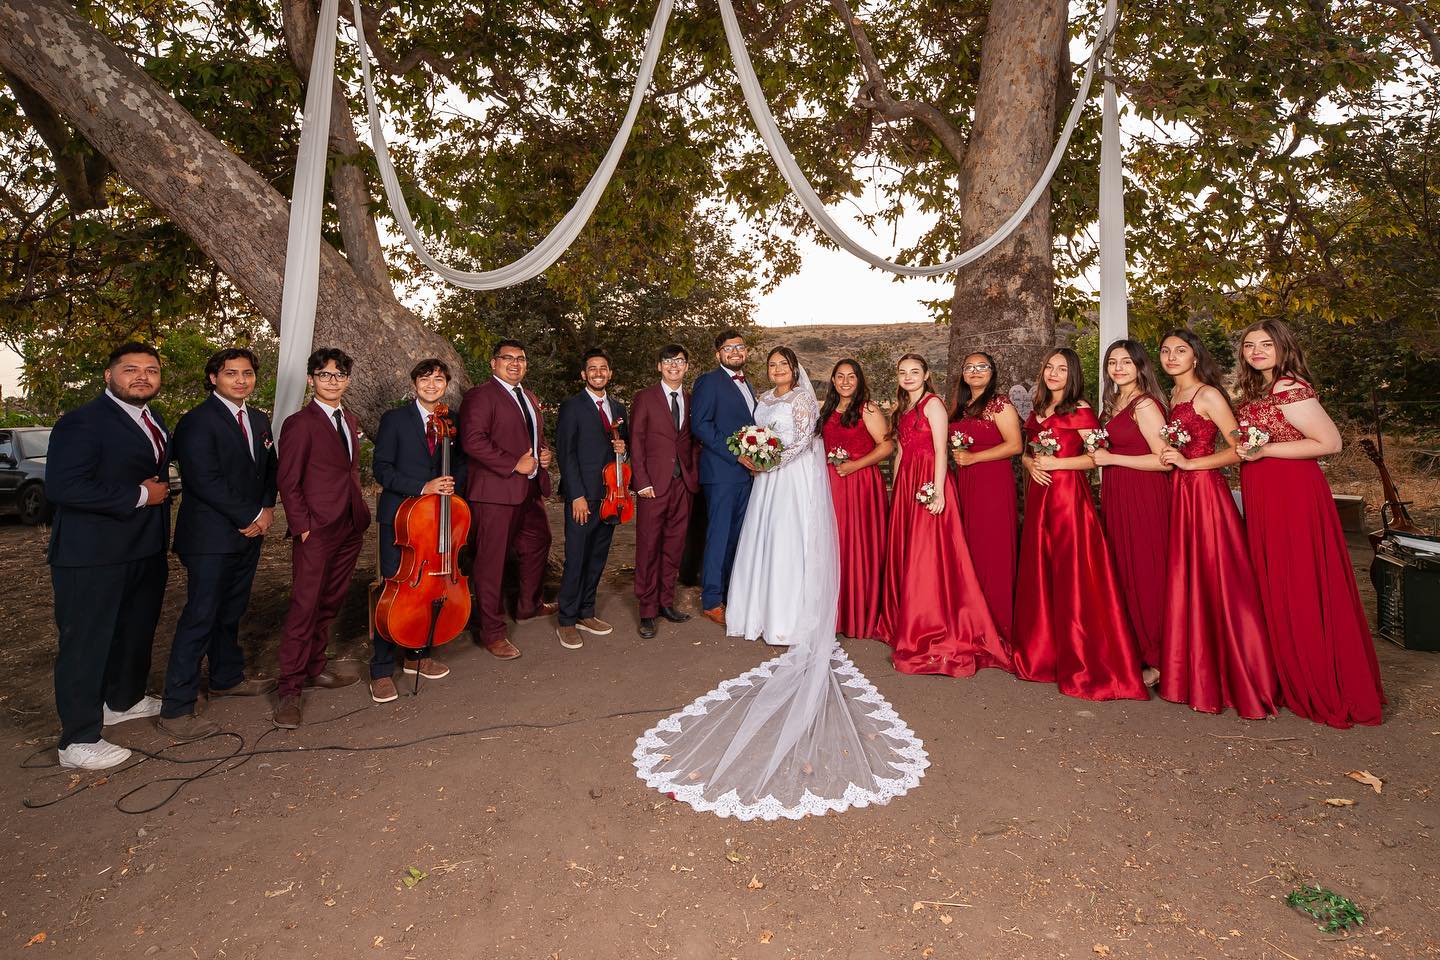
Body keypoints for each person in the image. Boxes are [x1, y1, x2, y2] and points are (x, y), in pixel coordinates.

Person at [634, 347, 929, 820]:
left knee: (791, 541)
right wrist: (753, 456)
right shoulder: (761, 397)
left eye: (783, 366)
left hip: (791, 477)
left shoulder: (803, 401)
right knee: (760, 541)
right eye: (771, 366)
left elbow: (804, 438)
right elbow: (756, 433)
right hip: (765, 477)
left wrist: (770, 461)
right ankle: (757, 610)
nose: (777, 372)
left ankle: (791, 616)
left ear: (795, 369)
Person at [1234, 319, 1384, 728]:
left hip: (1292, 492)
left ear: (1284, 347)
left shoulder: (1289, 387)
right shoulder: (1259, 389)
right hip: (1264, 491)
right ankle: (1289, 672)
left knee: (1298, 577)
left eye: (1266, 344)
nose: (1257, 351)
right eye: (1250, 345)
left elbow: (1328, 442)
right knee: (1276, 579)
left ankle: (1320, 678)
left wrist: (1264, 451)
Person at [46, 342, 173, 769]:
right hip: (92, 554)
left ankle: (123, 700)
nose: (142, 377)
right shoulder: (82, 422)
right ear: (108, 375)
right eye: (131, 369)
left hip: (142, 548)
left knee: (135, 631)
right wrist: (140, 495)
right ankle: (77, 740)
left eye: (151, 370)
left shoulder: (153, 418)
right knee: (87, 642)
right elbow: (64, 487)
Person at [1012, 348, 1148, 701]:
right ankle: (1044, 655)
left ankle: (1082, 661)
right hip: (1039, 497)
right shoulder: (1039, 409)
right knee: (1041, 574)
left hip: (1068, 499)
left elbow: (1095, 459)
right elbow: (1028, 452)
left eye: (1061, 368)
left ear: (1072, 374)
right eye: (1049, 367)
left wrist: (1057, 466)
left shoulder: (1082, 410)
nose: (1053, 373)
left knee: (1072, 575)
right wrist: (1029, 464)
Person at [1155, 331, 1278, 718]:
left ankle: (1235, 676)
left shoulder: (1207, 394)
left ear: (1195, 357)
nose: (1172, 357)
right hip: (1178, 493)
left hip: (1206, 494)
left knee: (1217, 579)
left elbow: (1241, 448)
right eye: (1165, 351)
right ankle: (1191, 673)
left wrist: (1192, 463)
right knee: (1186, 579)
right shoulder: (1170, 397)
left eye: (1181, 351)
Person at [158, 347, 279, 741]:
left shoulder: (258, 419)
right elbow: (204, 480)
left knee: (231, 610)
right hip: (211, 536)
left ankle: (227, 677)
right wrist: (249, 516)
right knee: (201, 616)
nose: (241, 380)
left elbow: (269, 470)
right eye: (231, 374)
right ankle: (177, 706)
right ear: (214, 378)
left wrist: (265, 509)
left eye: (247, 373)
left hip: (250, 531)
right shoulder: (196, 422)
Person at [878, 354, 1009, 676]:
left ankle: (930, 622)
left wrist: (936, 490)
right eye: (903, 372)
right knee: (909, 550)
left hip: (930, 480)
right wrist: (896, 491)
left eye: (914, 372)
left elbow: (940, 451)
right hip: (909, 480)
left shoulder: (933, 404)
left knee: (929, 554)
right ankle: (905, 617)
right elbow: (902, 453)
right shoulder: (904, 409)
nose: (908, 377)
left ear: (926, 375)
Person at [273, 348, 369, 729]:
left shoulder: (349, 418)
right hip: (316, 528)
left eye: (339, 374)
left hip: (349, 525)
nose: (333, 380)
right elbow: (288, 479)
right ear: (312, 379)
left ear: (347, 380)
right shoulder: (299, 423)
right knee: (305, 606)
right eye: (325, 374)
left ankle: (316, 666)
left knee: (330, 601)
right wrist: (303, 526)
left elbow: (349, 470)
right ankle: (290, 690)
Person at [367, 359, 466, 703]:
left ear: (446, 385)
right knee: (392, 590)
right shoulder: (394, 420)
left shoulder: (450, 421)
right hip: (401, 520)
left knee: (428, 588)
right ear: (414, 384)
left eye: (439, 379)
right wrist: (422, 486)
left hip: (436, 518)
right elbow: (382, 468)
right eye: (425, 379)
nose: (432, 384)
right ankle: (380, 668)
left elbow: (461, 463)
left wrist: (453, 485)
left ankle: (416, 655)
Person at [458, 339, 555, 659]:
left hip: (528, 489)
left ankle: (528, 606)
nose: (515, 363)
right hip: (494, 493)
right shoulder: (480, 396)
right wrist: (514, 462)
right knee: (491, 562)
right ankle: (493, 631)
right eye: (507, 358)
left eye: (521, 358)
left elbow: (531, 435)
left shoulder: (529, 396)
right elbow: (472, 441)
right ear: (493, 363)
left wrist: (544, 453)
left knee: (539, 541)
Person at [1092, 339, 1171, 686]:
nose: (1119, 368)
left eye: (1126, 362)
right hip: (1117, 493)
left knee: (1146, 573)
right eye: (1113, 362)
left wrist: (1112, 458)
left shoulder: (1145, 405)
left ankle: (1160, 660)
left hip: (1144, 495)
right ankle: (1133, 651)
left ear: (1140, 366)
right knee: (1124, 572)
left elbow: (1164, 460)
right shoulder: (1112, 404)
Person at [554, 348, 628, 649]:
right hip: (584, 497)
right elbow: (566, 453)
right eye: (592, 369)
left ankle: (586, 611)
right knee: (576, 558)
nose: (598, 373)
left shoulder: (619, 408)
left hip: (612, 496)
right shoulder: (572, 407)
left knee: (598, 557)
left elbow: (626, 451)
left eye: (604, 368)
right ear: (584, 374)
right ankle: (567, 620)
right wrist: (577, 496)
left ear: (609, 373)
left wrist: (624, 450)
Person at [947, 351, 1023, 639]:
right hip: (965, 484)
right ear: (963, 373)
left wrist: (975, 459)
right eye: (969, 367)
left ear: (992, 372)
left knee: (992, 548)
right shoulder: (960, 406)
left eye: (982, 367)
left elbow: (1015, 445)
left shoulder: (999, 404)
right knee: (969, 547)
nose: (975, 371)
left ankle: (997, 623)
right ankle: (971, 617)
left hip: (992, 483)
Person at [818, 359, 892, 639]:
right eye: (840, 376)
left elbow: (887, 445)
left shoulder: (867, 409)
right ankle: (834, 613)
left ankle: (858, 613)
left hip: (860, 483)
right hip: (832, 484)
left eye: (851, 376)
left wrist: (854, 466)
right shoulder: (827, 410)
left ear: (859, 380)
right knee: (834, 546)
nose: (845, 381)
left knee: (857, 545)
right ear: (833, 380)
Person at [629, 344, 699, 639]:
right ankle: (647, 611)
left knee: (673, 547)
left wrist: (691, 474)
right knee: (648, 547)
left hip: (681, 485)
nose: (674, 366)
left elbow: (691, 441)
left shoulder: (690, 398)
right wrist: (641, 480)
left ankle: (665, 602)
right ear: (659, 366)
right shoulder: (644, 398)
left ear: (686, 367)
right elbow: (636, 441)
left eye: (679, 361)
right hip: (652, 487)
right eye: (668, 361)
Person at [689, 329, 757, 625]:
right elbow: (701, 426)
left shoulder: (749, 385)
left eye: (739, 347)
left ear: (746, 351)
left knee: (737, 537)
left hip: (747, 475)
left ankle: (732, 593)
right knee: (718, 536)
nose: (734, 352)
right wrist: (736, 455)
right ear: (718, 354)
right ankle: (712, 599)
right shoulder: (708, 382)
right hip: (721, 472)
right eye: (728, 348)